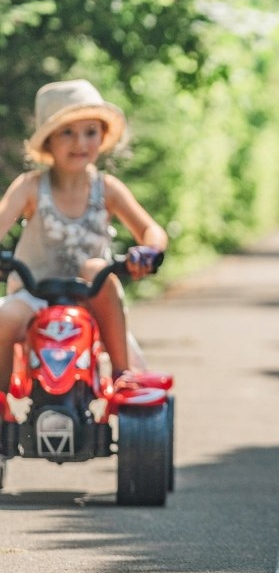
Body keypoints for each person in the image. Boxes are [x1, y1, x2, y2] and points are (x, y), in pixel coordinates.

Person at [0, 78, 168, 391]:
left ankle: (121, 372)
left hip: (89, 299)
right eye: (67, 132)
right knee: (4, 318)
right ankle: (2, 401)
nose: (80, 143)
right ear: (48, 141)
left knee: (95, 268)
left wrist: (149, 250)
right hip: (34, 295)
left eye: (90, 132)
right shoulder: (31, 187)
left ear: (102, 137)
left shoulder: (108, 189)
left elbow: (149, 229)